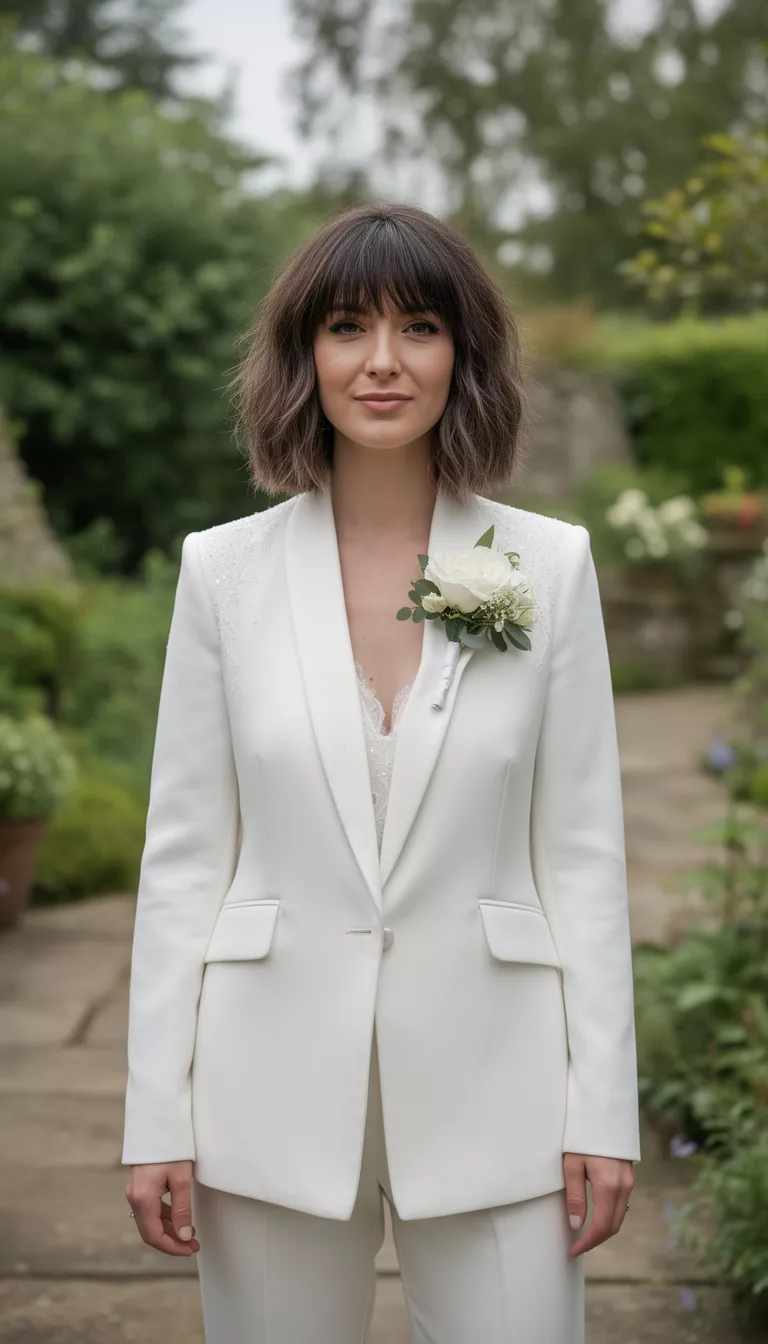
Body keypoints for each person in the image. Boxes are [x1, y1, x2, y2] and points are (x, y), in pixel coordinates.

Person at [123, 201, 640, 1343]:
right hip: (264, 1096)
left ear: (465, 353)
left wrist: (604, 1110)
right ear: (305, 354)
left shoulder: (542, 567)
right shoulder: (224, 575)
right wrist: (153, 1116)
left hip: (502, 1091)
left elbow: (585, 856)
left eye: (420, 327)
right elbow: (185, 860)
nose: (384, 361)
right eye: (349, 326)